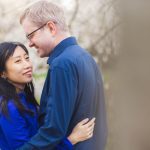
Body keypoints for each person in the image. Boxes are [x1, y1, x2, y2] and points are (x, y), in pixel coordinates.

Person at [19, 0, 107, 149]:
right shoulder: (86, 57)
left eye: (31, 35)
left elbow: (52, 131)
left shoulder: (62, 64)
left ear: (51, 28)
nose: (30, 44)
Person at [0, 42, 95, 150]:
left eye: (27, 58)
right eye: (18, 61)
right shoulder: (8, 107)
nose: (27, 65)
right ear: (2, 73)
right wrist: (71, 140)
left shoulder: (25, 98)